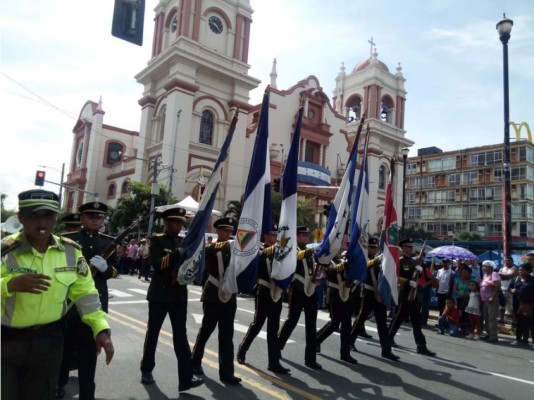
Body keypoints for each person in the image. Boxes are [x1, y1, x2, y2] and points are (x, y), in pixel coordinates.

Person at [1, 189, 114, 400]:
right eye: (34, 215)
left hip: (49, 341)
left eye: (48, 215)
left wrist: (100, 328)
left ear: (56, 219)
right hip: (6, 340)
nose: (42, 222)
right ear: (21, 218)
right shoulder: (4, 250)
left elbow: (86, 293)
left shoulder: (71, 252)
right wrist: (9, 284)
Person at [57, 201, 117, 399]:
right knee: (64, 348)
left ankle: (87, 394)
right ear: (81, 218)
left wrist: (105, 268)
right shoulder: (67, 239)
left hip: (95, 305)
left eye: (99, 216)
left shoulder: (109, 242)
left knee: (89, 353)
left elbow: (114, 271)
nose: (95, 219)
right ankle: (59, 385)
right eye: (90, 215)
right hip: (68, 304)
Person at [140, 207, 203, 392]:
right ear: (166, 223)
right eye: (174, 222)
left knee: (181, 337)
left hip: (178, 295)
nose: (177, 225)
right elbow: (159, 265)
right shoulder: (157, 240)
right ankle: (146, 369)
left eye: (179, 222)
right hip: (160, 294)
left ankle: (185, 378)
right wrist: (178, 253)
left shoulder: (184, 241)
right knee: (153, 334)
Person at [191, 218, 242, 385]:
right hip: (213, 294)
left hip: (229, 296)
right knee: (206, 331)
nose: (227, 234)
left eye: (229, 231)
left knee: (227, 335)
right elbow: (216, 249)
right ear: (218, 231)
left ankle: (227, 372)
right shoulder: (211, 247)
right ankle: (194, 362)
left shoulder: (234, 248)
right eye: (224, 231)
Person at [236, 224, 291, 374]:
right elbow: (261, 259)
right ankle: (243, 349)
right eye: (272, 235)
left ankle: (273, 362)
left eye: (276, 235)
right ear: (266, 236)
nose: (274, 238)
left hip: (277, 293)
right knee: (258, 324)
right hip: (264, 291)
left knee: (273, 329)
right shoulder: (260, 251)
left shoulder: (281, 252)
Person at [278, 226, 322, 370]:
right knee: (292, 320)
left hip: (311, 290)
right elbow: (294, 258)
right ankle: (277, 348)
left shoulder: (310, 253)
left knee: (311, 324)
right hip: (297, 289)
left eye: (306, 235)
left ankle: (310, 359)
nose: (305, 237)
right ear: (296, 236)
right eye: (302, 235)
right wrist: (309, 252)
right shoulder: (292, 249)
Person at [349, 237, 399, 361]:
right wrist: (376, 260)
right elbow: (363, 267)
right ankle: (350, 342)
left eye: (375, 248)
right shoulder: (364, 258)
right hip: (367, 292)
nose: (374, 249)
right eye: (371, 247)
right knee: (361, 318)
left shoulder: (379, 260)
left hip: (379, 293)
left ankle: (386, 350)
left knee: (382, 322)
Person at [387, 238, 436, 356]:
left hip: (414, 294)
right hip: (404, 293)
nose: (411, 249)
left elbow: (417, 276)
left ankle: (421, 346)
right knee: (398, 318)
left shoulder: (414, 262)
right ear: (403, 248)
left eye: (411, 247)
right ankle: (387, 339)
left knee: (416, 321)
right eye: (409, 247)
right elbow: (394, 276)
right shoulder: (400, 261)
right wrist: (407, 282)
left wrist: (419, 270)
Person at [316, 252, 358, 364]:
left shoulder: (342, 260)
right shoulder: (328, 260)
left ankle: (345, 354)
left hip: (347, 295)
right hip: (335, 295)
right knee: (334, 324)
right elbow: (331, 272)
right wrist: (345, 264)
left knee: (347, 325)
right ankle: (316, 341)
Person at [509, 263, 534, 346]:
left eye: (522, 270)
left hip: (530, 304)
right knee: (520, 322)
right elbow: (510, 287)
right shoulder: (516, 279)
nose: (520, 272)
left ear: (529, 271)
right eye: (519, 270)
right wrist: (512, 290)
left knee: (531, 323)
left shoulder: (532, 280)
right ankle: (519, 339)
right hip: (518, 304)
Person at [480, 260, 501, 343]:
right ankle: (488, 334)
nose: (483, 268)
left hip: (491, 300)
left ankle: (493, 336)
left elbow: (497, 285)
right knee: (486, 317)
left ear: (490, 267)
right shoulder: (485, 275)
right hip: (485, 300)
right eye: (483, 266)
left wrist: (493, 296)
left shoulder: (494, 274)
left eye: (485, 266)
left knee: (492, 318)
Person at [499, 256, 518, 324]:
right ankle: (501, 319)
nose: (507, 262)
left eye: (508, 260)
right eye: (505, 261)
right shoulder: (502, 268)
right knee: (502, 306)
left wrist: (505, 276)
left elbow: (511, 275)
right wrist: (507, 276)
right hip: (502, 289)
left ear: (512, 261)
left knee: (512, 306)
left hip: (510, 289)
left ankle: (515, 320)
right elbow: (499, 277)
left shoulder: (515, 268)